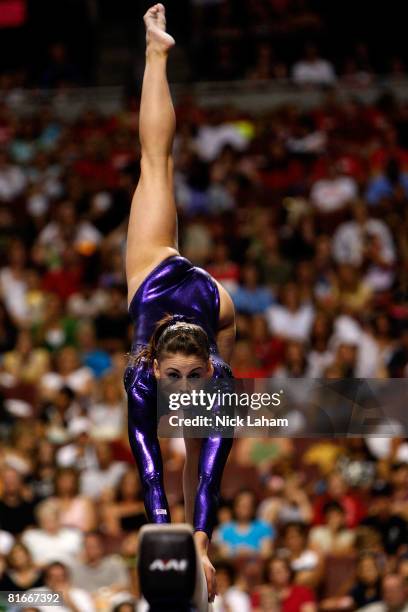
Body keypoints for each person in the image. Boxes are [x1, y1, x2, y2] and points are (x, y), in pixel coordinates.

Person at [123, 5, 235, 602]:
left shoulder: (214, 377)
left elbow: (210, 464)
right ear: (154, 367)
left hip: (215, 305)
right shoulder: (144, 381)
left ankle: (156, 53)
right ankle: (156, 50)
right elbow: (147, 464)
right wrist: (170, 536)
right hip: (167, 278)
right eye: (178, 378)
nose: (186, 386)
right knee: (155, 164)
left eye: (192, 377)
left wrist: (198, 540)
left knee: (200, 435)